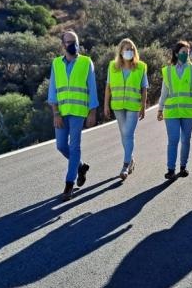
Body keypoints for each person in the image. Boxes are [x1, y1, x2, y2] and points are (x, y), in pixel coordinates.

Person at [48, 30, 98, 201]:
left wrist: (92, 112)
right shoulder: (56, 63)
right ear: (63, 45)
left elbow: (92, 88)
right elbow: (53, 90)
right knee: (61, 146)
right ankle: (81, 166)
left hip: (78, 112)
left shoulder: (86, 62)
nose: (73, 45)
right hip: (61, 112)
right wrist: (55, 113)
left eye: (75, 41)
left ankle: (69, 184)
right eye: (69, 42)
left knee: (74, 146)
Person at [157, 40, 192, 180]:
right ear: (177, 53)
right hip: (171, 111)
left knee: (185, 139)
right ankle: (170, 169)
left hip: (190, 112)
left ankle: (183, 166)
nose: (186, 55)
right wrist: (160, 109)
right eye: (183, 52)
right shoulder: (168, 71)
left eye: (188, 52)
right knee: (173, 140)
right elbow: (164, 92)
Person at [103, 38, 149, 180]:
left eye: (131, 49)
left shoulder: (141, 67)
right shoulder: (112, 66)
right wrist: (106, 105)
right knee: (124, 135)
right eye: (126, 49)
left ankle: (125, 165)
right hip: (117, 106)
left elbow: (144, 88)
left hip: (133, 106)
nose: (129, 51)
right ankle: (131, 160)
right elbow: (108, 87)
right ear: (120, 51)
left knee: (128, 133)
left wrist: (143, 106)